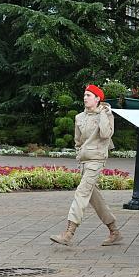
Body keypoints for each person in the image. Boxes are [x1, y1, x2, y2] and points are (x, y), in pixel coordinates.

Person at [51, 85, 123, 247]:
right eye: (84, 95)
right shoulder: (79, 117)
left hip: (96, 160)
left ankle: (69, 232)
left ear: (98, 99)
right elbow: (78, 141)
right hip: (84, 161)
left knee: (81, 193)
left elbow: (105, 134)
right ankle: (114, 231)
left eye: (89, 95)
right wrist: (79, 154)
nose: (85, 98)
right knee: (94, 198)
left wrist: (104, 113)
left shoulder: (106, 115)